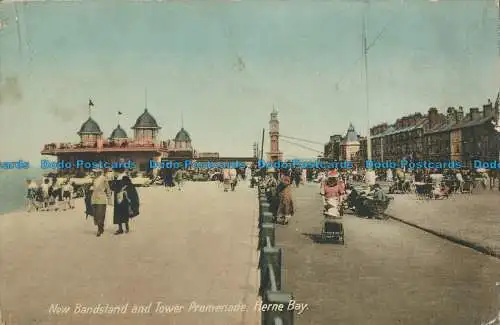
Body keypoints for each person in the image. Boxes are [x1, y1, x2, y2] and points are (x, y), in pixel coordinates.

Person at [91, 169, 112, 237]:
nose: (95, 173)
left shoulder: (104, 178)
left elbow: (108, 188)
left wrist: (109, 199)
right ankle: (101, 226)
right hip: (94, 198)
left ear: (99, 172)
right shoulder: (94, 179)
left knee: (100, 214)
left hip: (101, 198)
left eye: (96, 172)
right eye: (94, 172)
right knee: (95, 214)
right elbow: (93, 187)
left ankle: (99, 229)